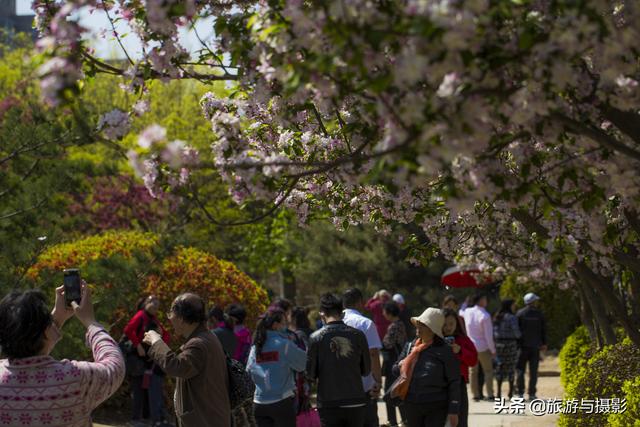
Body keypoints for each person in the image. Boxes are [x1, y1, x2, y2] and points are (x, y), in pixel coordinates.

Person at [0, 284, 125, 426]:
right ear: (47, 331)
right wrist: (91, 322)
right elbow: (115, 366)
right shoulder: (74, 379)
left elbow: (34, 352)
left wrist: (56, 319)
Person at [143, 293, 230, 427]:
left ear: (181, 318)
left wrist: (156, 342)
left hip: (205, 421)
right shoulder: (206, 337)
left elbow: (177, 366)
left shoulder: (198, 344)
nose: (169, 318)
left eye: (171, 312)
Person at [307, 293, 371, 427]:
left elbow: (310, 375)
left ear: (322, 313)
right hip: (356, 400)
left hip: (329, 403)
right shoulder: (358, 335)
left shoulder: (315, 338)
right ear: (341, 313)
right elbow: (366, 370)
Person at [392, 308, 460, 427]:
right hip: (411, 404)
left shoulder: (445, 351)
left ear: (432, 329)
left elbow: (454, 381)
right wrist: (401, 365)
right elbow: (394, 370)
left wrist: (453, 410)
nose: (418, 327)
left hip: (436, 406)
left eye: (422, 325)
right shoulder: (410, 347)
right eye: (418, 324)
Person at [246, 308, 307, 427]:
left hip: (259, 403)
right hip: (282, 403)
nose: (286, 326)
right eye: (284, 323)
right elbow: (302, 365)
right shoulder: (284, 344)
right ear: (275, 325)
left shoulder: (256, 347)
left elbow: (249, 370)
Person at [123, 295, 171, 426]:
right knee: (138, 389)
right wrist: (138, 345)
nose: (155, 306)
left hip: (146, 361)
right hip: (136, 359)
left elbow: (166, 335)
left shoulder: (154, 319)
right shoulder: (140, 315)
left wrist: (158, 347)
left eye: (157, 305)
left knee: (145, 390)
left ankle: (143, 418)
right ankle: (135, 419)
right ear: (146, 303)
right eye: (152, 303)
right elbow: (128, 330)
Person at [342, 288, 383, 427]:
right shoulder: (366, 323)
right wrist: (377, 381)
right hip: (364, 387)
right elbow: (373, 354)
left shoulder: (331, 324)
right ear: (360, 302)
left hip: (340, 388)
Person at [442, 309, 477, 427]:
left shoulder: (463, 340)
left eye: (451, 323)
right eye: (445, 324)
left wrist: (460, 351)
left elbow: (473, 360)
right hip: (438, 385)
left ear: (457, 323)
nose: (448, 327)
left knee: (460, 419)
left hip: (459, 385)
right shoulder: (434, 339)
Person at [462, 293, 496, 401]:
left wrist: (465, 302)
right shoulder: (485, 315)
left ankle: (475, 394)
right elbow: (488, 335)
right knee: (488, 371)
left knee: (473, 371)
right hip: (483, 346)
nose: (486, 301)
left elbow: (460, 311)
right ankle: (490, 394)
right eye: (485, 299)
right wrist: (493, 349)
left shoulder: (467, 311)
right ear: (480, 300)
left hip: (471, 345)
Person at [516, 293, 547, 400]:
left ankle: (520, 392)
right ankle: (532, 393)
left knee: (520, 370)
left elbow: (517, 331)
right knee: (533, 371)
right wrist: (544, 343)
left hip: (522, 346)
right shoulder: (539, 314)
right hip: (535, 346)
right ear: (533, 302)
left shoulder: (520, 313)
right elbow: (543, 330)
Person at [381, 302, 407, 427]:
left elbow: (387, 344)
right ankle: (405, 420)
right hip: (400, 361)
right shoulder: (401, 324)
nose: (383, 313)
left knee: (389, 392)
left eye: (384, 311)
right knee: (399, 390)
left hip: (392, 362)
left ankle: (392, 421)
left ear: (389, 313)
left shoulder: (393, 327)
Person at [493, 299, 521, 399]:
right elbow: (516, 332)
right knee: (511, 367)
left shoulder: (497, 316)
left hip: (499, 344)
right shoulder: (512, 317)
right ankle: (510, 392)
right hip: (510, 344)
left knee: (500, 367)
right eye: (513, 305)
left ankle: (499, 392)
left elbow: (494, 332)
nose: (514, 307)